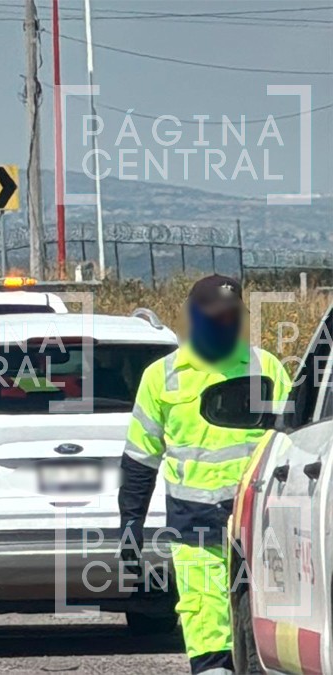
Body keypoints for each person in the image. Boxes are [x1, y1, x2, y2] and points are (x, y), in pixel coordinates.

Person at [118, 275, 292, 675]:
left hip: (256, 521)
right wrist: (130, 525)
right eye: (217, 318)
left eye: (233, 318)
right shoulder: (162, 377)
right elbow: (140, 460)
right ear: (195, 319)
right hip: (192, 523)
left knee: (263, 620)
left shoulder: (265, 368)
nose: (226, 326)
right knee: (204, 616)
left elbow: (291, 443)